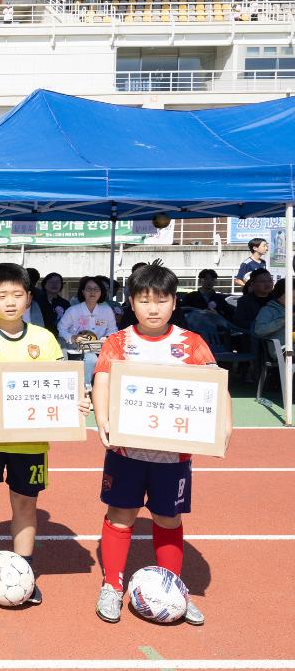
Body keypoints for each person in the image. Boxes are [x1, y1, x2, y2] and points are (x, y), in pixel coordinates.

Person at [92, 263, 231, 626]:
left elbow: (216, 387)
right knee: (120, 516)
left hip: (173, 455)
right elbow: (102, 382)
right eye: (144, 300)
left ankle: (174, 589)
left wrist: (224, 427)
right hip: (126, 452)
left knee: (168, 517)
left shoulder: (191, 343)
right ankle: (112, 584)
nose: (153, 308)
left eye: (161, 300)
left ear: (173, 303)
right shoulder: (118, 342)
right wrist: (103, 419)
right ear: (132, 303)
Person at [0, 263, 88, 608]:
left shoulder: (43, 338)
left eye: (17, 295)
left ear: (28, 299)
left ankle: (24, 569)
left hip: (31, 442)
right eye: (1, 296)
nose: (10, 302)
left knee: (25, 505)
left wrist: (77, 400)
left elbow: (62, 384)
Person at [58, 276, 119, 386]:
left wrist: (106, 338)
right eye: (89, 289)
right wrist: (73, 338)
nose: (92, 292)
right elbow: (61, 329)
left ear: (101, 292)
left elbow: (113, 329)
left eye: (96, 289)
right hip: (78, 347)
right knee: (91, 359)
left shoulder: (107, 310)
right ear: (83, 291)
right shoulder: (73, 310)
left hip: (101, 347)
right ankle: (86, 387)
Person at [253, 278, 289, 359]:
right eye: (293, 297)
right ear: (281, 295)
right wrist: (282, 321)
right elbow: (258, 331)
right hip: (281, 349)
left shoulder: (291, 309)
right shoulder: (267, 310)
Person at [233, 267, 273, 331]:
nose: (267, 284)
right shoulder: (244, 301)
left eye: (270, 281)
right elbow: (239, 322)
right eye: (262, 281)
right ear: (252, 284)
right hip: (254, 336)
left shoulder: (277, 299)